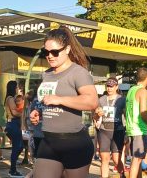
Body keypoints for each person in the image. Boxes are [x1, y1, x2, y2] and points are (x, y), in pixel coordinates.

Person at [30, 26, 98, 178]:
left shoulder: (78, 73)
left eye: (55, 52)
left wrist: (59, 100)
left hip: (74, 143)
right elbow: (46, 101)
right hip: (48, 141)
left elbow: (92, 101)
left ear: (67, 49)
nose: (50, 56)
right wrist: (38, 111)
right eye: (46, 52)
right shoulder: (46, 75)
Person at [125, 67, 147, 178]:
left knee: (137, 159)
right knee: (137, 159)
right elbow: (143, 112)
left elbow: (128, 110)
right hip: (139, 129)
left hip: (131, 129)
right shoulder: (142, 91)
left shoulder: (131, 90)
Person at [93, 76, 126, 178]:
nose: (109, 88)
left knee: (116, 159)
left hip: (118, 132)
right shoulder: (101, 99)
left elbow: (127, 116)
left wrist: (127, 132)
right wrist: (97, 114)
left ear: (116, 87)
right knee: (104, 159)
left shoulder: (122, 99)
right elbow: (95, 116)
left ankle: (122, 174)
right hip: (104, 132)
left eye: (111, 86)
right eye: (108, 86)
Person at [4, 80, 24, 177]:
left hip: (13, 124)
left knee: (19, 147)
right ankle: (13, 170)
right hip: (13, 124)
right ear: (13, 88)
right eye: (16, 87)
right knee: (18, 147)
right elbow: (14, 113)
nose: (17, 89)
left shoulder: (10, 98)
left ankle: (13, 165)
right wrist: (23, 114)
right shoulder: (10, 99)